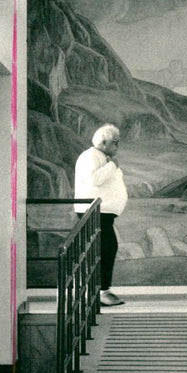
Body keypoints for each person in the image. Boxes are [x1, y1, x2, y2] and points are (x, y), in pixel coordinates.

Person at [74, 124, 128, 307]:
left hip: (102, 214)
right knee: (106, 248)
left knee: (106, 248)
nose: (117, 147)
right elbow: (94, 179)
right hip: (95, 213)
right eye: (115, 142)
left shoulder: (99, 156)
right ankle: (101, 292)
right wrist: (112, 165)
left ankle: (101, 290)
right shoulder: (91, 156)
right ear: (104, 142)